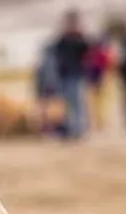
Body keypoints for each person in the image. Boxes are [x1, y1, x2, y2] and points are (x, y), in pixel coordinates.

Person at [53, 10, 90, 139]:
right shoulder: (62, 39)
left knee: (77, 102)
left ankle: (79, 128)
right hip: (64, 75)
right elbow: (55, 51)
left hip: (75, 75)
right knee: (65, 103)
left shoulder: (79, 39)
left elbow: (87, 50)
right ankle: (67, 127)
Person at [34, 43, 67, 137]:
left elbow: (45, 79)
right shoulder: (53, 61)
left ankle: (53, 129)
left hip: (49, 90)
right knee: (51, 111)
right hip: (51, 90)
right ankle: (51, 129)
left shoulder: (46, 62)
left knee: (50, 111)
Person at [84, 36, 113, 132]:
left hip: (99, 80)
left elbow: (107, 67)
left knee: (99, 102)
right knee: (97, 102)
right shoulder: (96, 54)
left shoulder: (97, 54)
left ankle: (100, 122)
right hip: (96, 80)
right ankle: (99, 121)